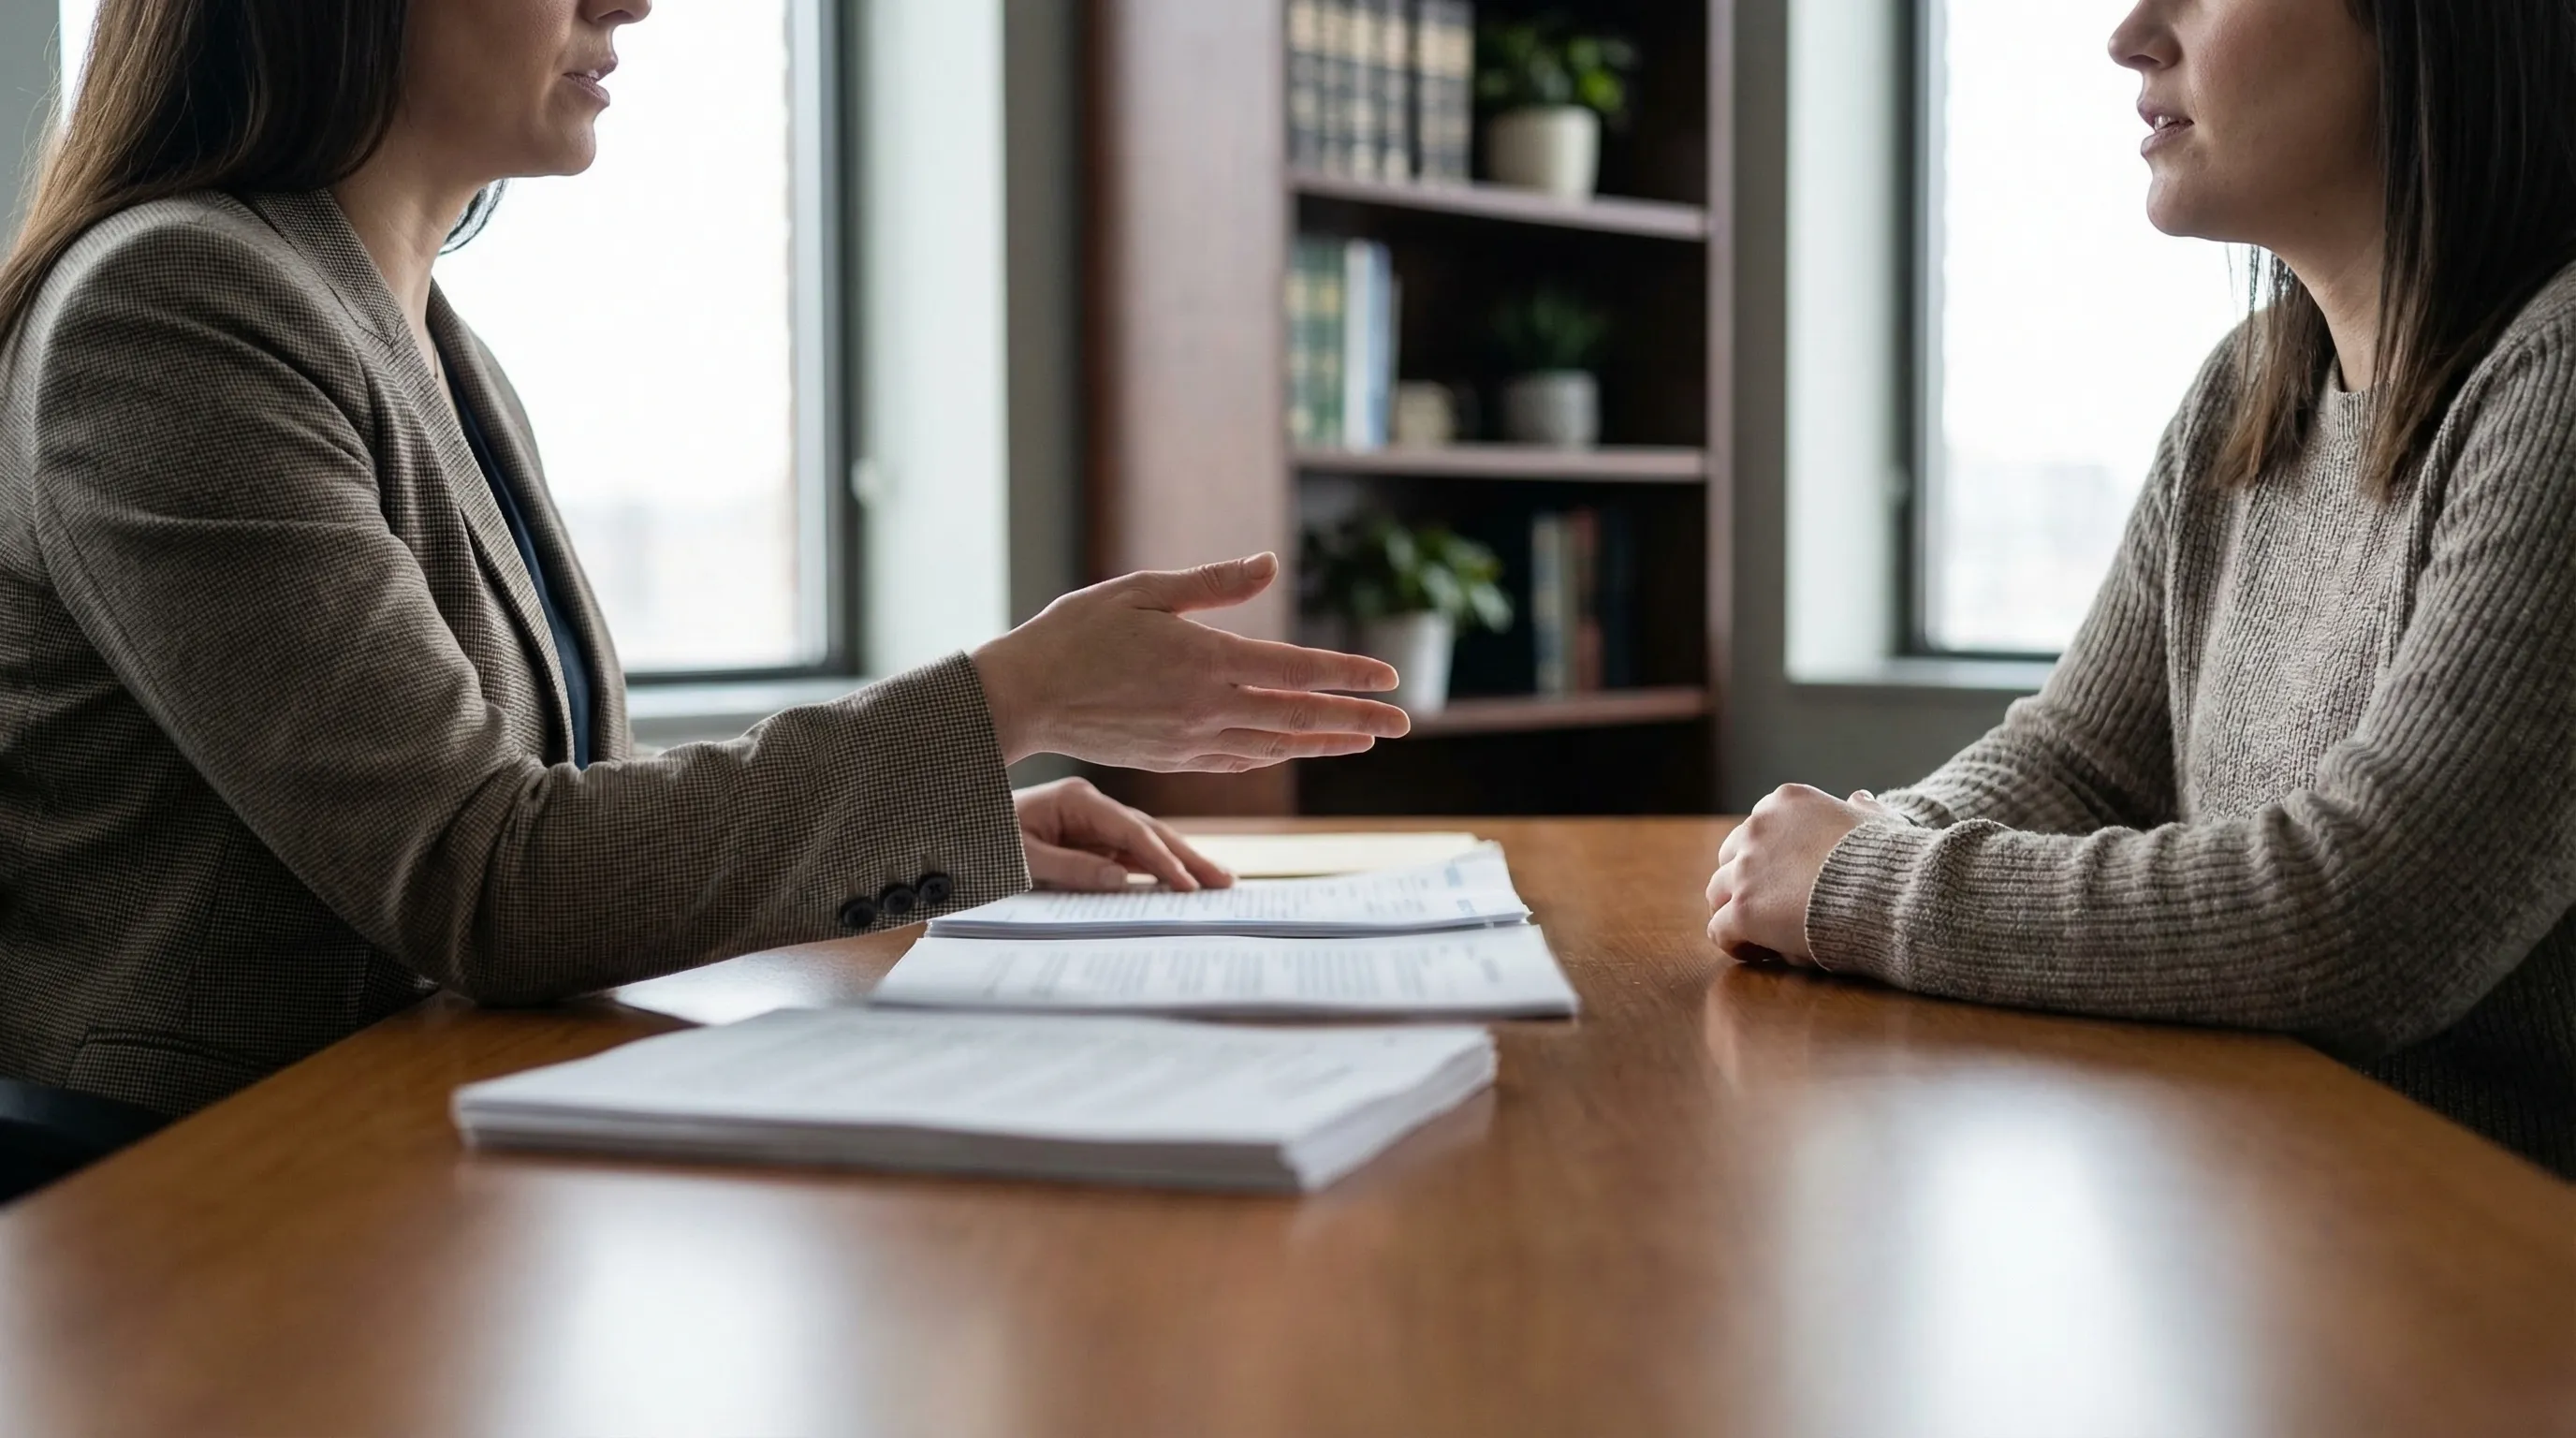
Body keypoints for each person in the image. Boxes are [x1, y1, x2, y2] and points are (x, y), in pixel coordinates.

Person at [0, 0, 1412, 1120]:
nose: (633, 2)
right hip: (205, 1196)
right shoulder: (173, 307)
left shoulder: (430, 342)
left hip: (408, 1138)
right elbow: (486, 882)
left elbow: (550, 817)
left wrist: (949, 829)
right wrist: (1006, 703)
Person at [1705, 0, 2576, 1178]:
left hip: (2495, 1256)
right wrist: (1881, 832)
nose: (2130, 33)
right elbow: (2082, 763)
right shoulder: (2248, 386)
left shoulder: (2557, 377)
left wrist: (1865, 882)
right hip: (2279, 1209)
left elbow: (2373, 918)